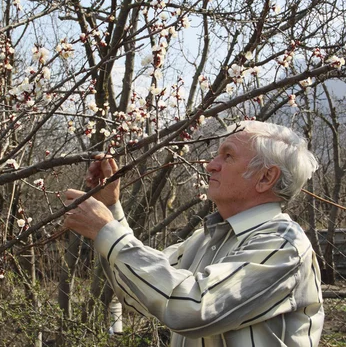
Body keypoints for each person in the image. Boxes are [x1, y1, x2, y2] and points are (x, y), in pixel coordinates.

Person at [64, 121, 324, 346]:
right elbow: (138, 292)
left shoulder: (283, 245)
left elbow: (193, 308)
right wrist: (111, 206)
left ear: (266, 178)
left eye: (228, 156)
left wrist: (108, 231)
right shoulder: (206, 240)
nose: (211, 165)